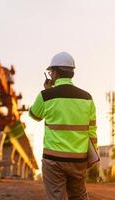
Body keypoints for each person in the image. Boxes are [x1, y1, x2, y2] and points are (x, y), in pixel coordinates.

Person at [29, 52, 97, 200]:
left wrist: (47, 91)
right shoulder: (87, 98)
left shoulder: (46, 96)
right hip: (79, 159)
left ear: (55, 73)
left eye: (50, 71)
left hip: (53, 159)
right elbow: (92, 131)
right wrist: (91, 157)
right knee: (79, 197)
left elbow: (34, 115)